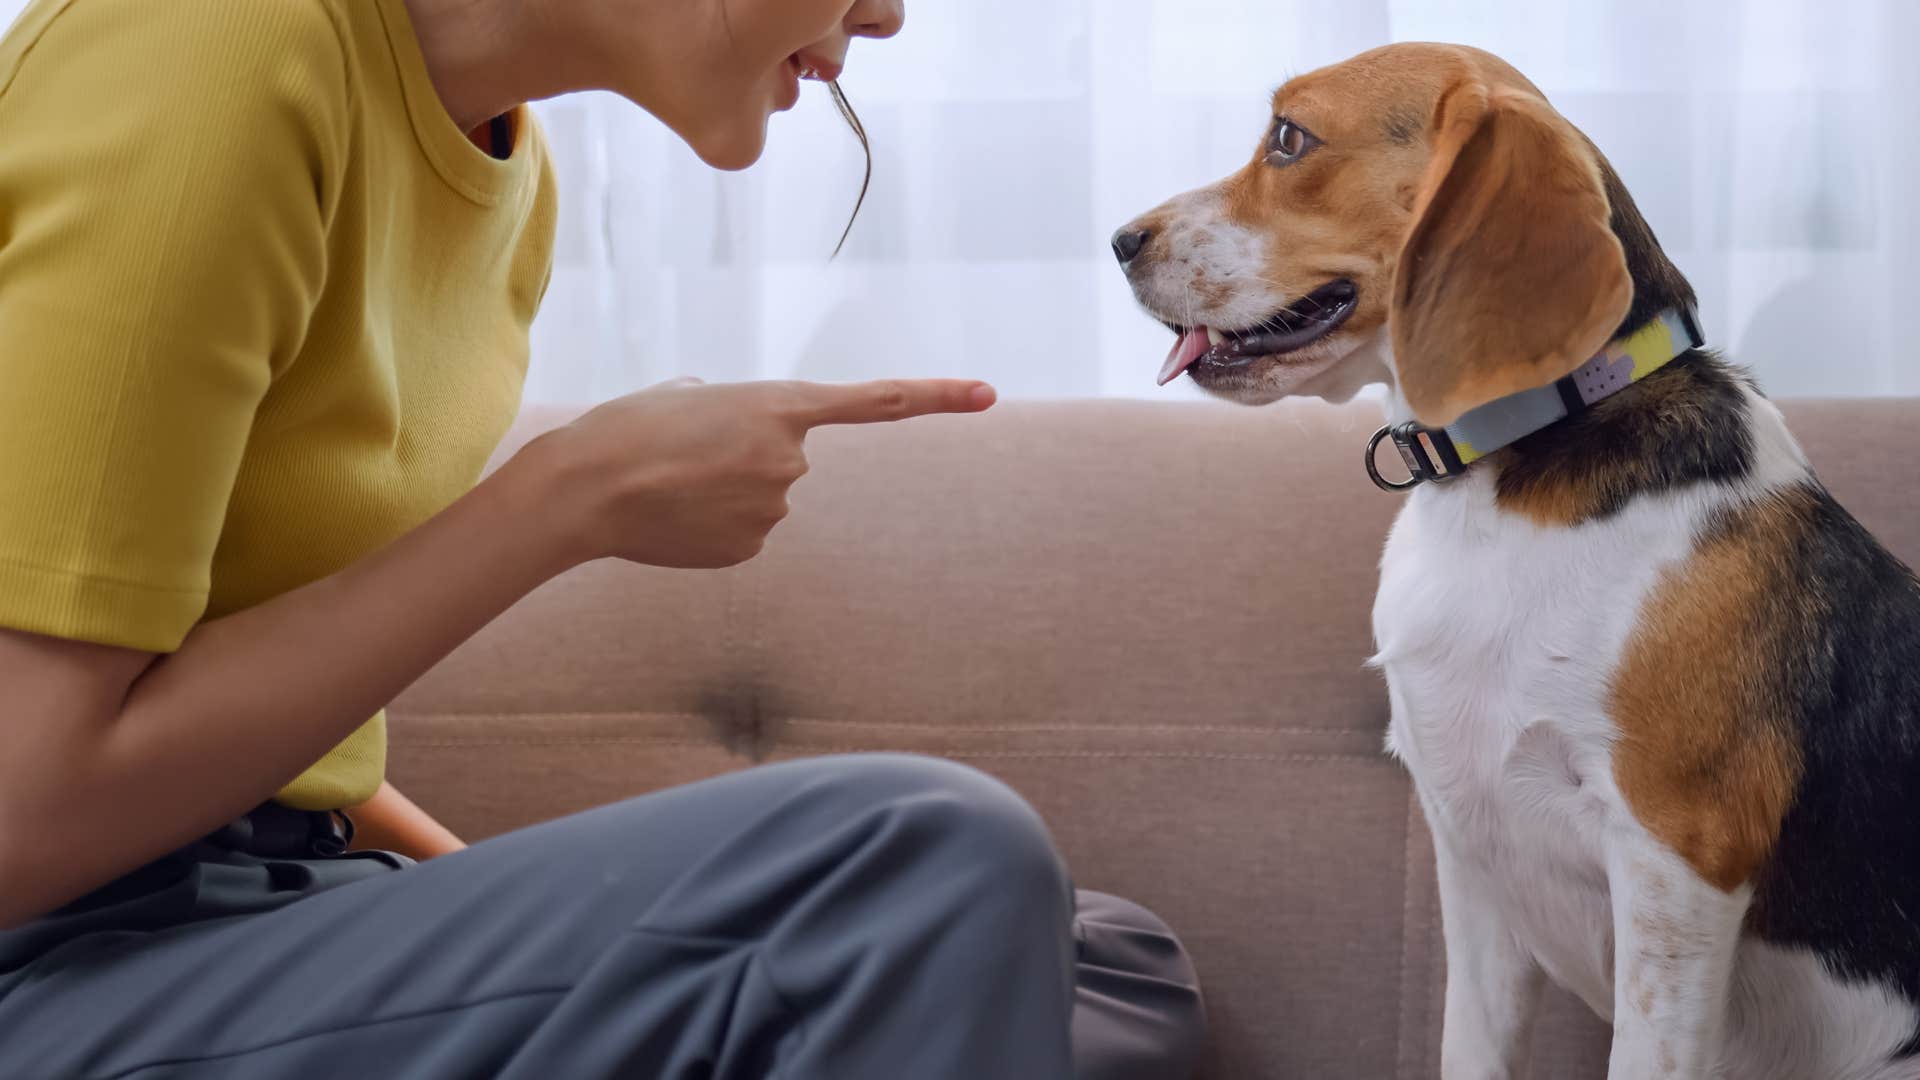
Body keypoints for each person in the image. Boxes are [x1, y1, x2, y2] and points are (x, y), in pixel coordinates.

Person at [0, 0, 1206, 1076]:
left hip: (259, 908)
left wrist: (580, 938)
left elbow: (272, 747)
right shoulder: (213, 42)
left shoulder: (508, 176)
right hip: (60, 963)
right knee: (923, 865)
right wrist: (566, 498)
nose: (887, 14)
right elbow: (23, 818)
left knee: (1099, 963)